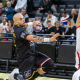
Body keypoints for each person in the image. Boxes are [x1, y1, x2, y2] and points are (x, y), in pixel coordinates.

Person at [8, 13, 59, 80]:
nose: (23, 20)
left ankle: (32, 77)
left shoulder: (18, 25)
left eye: (23, 18)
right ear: (15, 22)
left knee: (49, 65)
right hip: (25, 58)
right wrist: (49, 39)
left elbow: (24, 24)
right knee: (28, 79)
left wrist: (32, 23)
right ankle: (15, 75)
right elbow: (31, 38)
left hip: (33, 53)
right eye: (21, 19)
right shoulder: (18, 30)